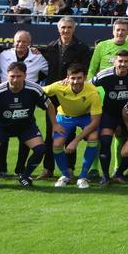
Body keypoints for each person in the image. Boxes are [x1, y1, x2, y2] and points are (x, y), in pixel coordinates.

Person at [0, 64, 53, 188]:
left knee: (40, 149)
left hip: (26, 127)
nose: (15, 79)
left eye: (19, 76)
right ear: (7, 75)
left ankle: (25, 176)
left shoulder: (35, 89)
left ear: (25, 75)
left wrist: (55, 124)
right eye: (12, 76)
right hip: (2, 127)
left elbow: (49, 106)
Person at [37, 17, 92, 179]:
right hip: (54, 96)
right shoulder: (50, 47)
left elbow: (84, 70)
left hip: (72, 95)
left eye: (69, 27)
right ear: (58, 29)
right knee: (50, 132)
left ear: (73, 29)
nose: (66, 30)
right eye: (63, 28)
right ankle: (48, 169)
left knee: (70, 133)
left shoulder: (81, 48)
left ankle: (69, 168)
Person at [0, 29, 50, 177]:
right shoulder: (3, 55)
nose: (21, 44)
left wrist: (40, 88)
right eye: (18, 41)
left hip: (27, 99)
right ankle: (1, 168)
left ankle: (20, 169)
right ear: (14, 41)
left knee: (25, 134)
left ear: (29, 43)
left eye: (24, 41)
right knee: (2, 134)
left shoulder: (38, 57)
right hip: (4, 98)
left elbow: (49, 70)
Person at [44, 64, 104, 189]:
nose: (76, 81)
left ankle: (83, 176)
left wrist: (75, 141)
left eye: (79, 78)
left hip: (86, 117)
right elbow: (40, 91)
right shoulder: (59, 86)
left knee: (93, 138)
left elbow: (95, 122)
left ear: (85, 78)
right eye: (73, 78)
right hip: (65, 116)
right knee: (56, 144)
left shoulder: (93, 92)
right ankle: (65, 175)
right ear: (67, 78)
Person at [92, 51, 128, 183]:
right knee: (105, 142)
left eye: (126, 61)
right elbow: (88, 86)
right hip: (109, 114)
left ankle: (119, 173)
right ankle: (105, 176)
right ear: (114, 62)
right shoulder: (104, 74)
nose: (123, 64)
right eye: (120, 61)